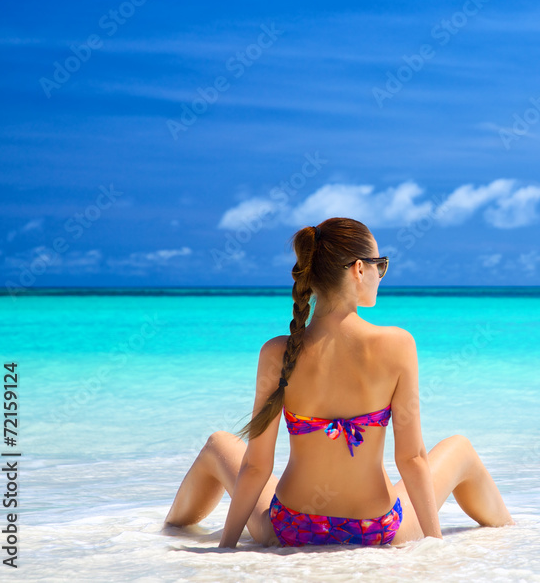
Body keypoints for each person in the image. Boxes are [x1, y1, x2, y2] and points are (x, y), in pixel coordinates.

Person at [164, 217, 514, 547]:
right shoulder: (398, 345)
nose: (381, 274)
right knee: (461, 449)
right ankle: (514, 536)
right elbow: (412, 459)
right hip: (375, 531)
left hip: (293, 529)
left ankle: (168, 532)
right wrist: (433, 544)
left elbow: (257, 467)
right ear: (360, 269)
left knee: (217, 444)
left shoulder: (277, 352)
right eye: (381, 264)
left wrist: (228, 546)